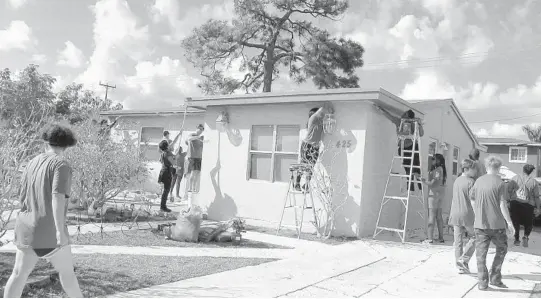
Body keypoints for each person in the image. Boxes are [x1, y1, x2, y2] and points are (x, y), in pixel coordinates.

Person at [4, 124, 83, 298]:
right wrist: (59, 231)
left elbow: (22, 196)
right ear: (67, 145)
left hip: (26, 227)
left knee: (18, 274)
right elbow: (57, 197)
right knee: (68, 275)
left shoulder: (31, 163)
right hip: (48, 230)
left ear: (45, 141)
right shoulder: (61, 165)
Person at [469, 156, 515, 291]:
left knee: (480, 254)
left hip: (480, 224)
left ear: (486, 166)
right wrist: (509, 222)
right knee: (502, 250)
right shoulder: (500, 183)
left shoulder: (478, 181)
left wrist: (477, 213)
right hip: (497, 225)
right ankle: (495, 277)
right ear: (499, 168)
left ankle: (482, 283)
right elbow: (502, 204)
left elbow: (472, 199)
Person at [375, 107, 424, 192]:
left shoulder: (413, 123)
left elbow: (421, 134)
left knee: (415, 168)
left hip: (412, 147)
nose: (403, 115)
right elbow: (390, 116)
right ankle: (411, 187)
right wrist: (381, 110)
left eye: (405, 114)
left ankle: (419, 186)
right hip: (403, 147)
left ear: (409, 117)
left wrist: (420, 124)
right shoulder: (400, 122)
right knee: (408, 168)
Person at [295, 103, 333, 191]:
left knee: (311, 166)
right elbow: (323, 109)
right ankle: (297, 183)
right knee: (304, 164)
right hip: (307, 145)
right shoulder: (312, 120)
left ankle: (306, 184)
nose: (321, 116)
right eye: (319, 115)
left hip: (315, 146)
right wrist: (329, 107)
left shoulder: (320, 122)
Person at [448, 159, 477, 274]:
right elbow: (473, 200)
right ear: (467, 169)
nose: (475, 171)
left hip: (455, 213)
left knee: (458, 242)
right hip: (467, 214)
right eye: (473, 168)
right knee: (476, 237)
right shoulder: (471, 182)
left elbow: (453, 199)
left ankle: (460, 266)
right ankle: (464, 259)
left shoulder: (457, 180)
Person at [506, 164, 541, 247]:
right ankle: (525, 236)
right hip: (528, 205)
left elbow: (509, 190)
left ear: (523, 170)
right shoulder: (534, 182)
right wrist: (538, 208)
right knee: (528, 223)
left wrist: (508, 201)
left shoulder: (515, 178)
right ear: (531, 172)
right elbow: (536, 196)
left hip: (515, 203)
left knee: (515, 222)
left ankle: (517, 239)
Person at [421, 153, 447, 244]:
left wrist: (423, 181)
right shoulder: (442, 170)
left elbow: (432, 183)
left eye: (433, 159)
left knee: (431, 216)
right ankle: (441, 238)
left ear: (438, 161)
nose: (431, 160)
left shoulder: (437, 170)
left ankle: (430, 238)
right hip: (440, 194)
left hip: (433, 194)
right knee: (439, 216)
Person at [185, 124, 205, 194]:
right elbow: (189, 139)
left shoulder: (201, 138)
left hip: (199, 157)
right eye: (200, 129)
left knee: (197, 173)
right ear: (197, 128)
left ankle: (194, 188)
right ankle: (190, 188)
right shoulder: (192, 135)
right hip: (192, 156)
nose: (201, 131)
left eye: (202, 130)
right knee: (193, 172)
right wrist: (198, 137)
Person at [158, 140, 174, 213]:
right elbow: (173, 162)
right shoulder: (168, 153)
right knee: (166, 190)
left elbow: (161, 161)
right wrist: (175, 157)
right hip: (167, 173)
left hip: (162, 172)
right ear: (167, 146)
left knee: (165, 190)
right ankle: (163, 207)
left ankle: (163, 206)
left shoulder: (163, 153)